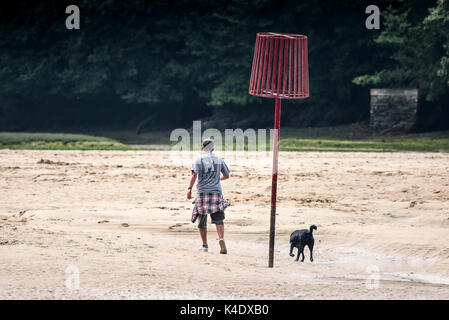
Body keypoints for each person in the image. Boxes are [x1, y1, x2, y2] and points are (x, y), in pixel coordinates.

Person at [187, 139, 230, 254]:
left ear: (202, 148)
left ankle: (205, 245)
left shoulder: (198, 159)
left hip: (202, 192)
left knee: (202, 220)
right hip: (216, 192)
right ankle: (221, 238)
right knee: (218, 219)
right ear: (213, 148)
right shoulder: (219, 159)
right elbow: (227, 176)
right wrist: (217, 179)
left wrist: (189, 189)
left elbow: (194, 175)